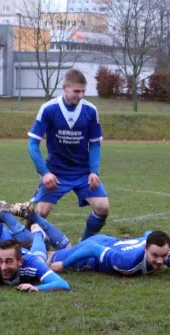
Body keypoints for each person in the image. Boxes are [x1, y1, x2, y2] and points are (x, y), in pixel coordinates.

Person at [27, 68, 109, 242]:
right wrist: (45, 173)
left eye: (83, 91)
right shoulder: (49, 109)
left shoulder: (90, 110)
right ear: (65, 88)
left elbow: (95, 144)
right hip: (55, 172)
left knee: (103, 208)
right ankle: (25, 242)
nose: (80, 95)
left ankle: (84, 243)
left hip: (83, 173)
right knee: (41, 212)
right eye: (76, 91)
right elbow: (33, 144)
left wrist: (94, 171)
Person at [48, 230, 170, 276]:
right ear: (145, 248)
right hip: (92, 254)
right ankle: (35, 227)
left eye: (164, 255)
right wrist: (64, 264)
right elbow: (92, 249)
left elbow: (150, 232)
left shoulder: (166, 247)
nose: (160, 261)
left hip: (109, 242)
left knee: (66, 247)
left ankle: (37, 228)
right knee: (44, 259)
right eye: (154, 255)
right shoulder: (128, 263)